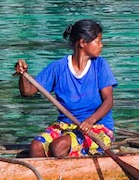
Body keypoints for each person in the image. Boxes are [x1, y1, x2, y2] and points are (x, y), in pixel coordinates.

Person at [14, 19, 116, 158]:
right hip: (65, 126)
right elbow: (27, 91)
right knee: (36, 146)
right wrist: (23, 75)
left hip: (97, 128)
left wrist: (90, 121)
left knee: (59, 146)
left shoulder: (100, 65)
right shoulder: (58, 67)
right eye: (98, 41)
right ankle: (47, 177)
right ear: (82, 43)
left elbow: (108, 101)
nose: (101, 45)